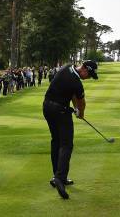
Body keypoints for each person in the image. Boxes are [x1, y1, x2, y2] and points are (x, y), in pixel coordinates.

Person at [43, 60, 98, 199]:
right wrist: (81, 113)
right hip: (60, 110)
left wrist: (76, 109)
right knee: (66, 144)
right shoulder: (77, 83)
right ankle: (60, 178)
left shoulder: (66, 68)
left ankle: (57, 175)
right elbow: (81, 102)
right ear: (84, 68)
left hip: (47, 107)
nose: (89, 77)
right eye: (89, 74)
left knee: (56, 141)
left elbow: (72, 96)